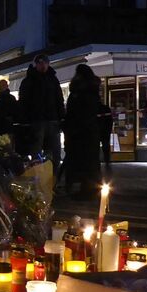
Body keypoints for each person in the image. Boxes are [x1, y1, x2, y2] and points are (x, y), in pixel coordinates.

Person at [61, 64, 102, 198]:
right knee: (88, 161)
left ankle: (88, 190)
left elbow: (82, 112)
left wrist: (72, 126)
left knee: (85, 161)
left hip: (82, 132)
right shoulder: (89, 90)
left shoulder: (84, 91)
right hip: (84, 131)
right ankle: (88, 188)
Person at [19, 54, 65, 170]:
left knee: (52, 151)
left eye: (44, 62)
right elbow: (24, 102)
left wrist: (61, 117)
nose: (43, 65)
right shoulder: (31, 80)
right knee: (39, 150)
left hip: (48, 120)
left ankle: (52, 174)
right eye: (40, 63)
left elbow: (59, 99)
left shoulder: (51, 79)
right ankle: (41, 174)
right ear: (36, 64)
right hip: (38, 120)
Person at [97, 99, 114, 174]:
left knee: (96, 148)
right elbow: (110, 121)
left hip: (98, 132)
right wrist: (108, 130)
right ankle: (107, 162)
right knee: (106, 147)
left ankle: (98, 162)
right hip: (105, 132)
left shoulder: (94, 109)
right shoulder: (106, 108)